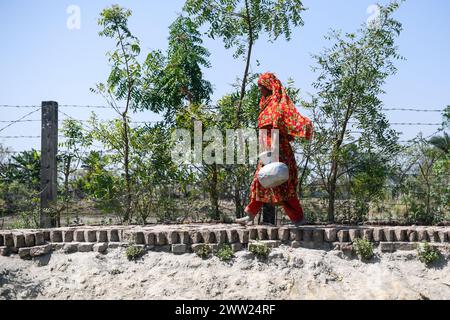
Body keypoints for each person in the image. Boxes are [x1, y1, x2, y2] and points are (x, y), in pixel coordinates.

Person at [236, 72, 313, 227]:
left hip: (278, 150)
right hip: (267, 150)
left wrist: (273, 153)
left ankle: (298, 219)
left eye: (262, 87)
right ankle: (250, 215)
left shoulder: (277, 106)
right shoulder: (265, 105)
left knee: (282, 184)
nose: (260, 90)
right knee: (261, 181)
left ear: (269, 86)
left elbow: (281, 127)